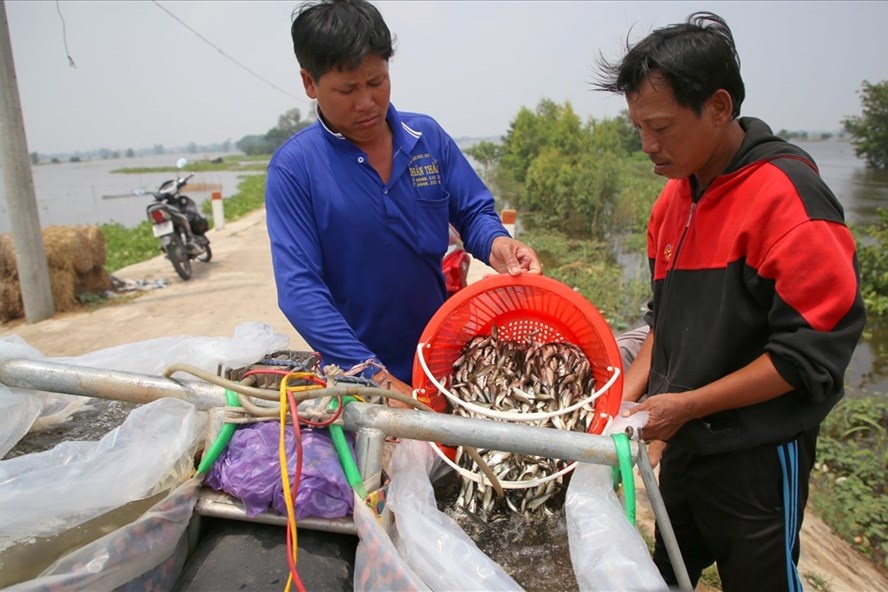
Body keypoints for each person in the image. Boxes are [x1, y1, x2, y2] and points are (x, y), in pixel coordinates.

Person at [594, 12, 866, 592]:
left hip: (760, 457)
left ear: (719, 107)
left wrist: (685, 405)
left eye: (661, 127)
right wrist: (628, 399)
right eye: (638, 128)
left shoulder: (789, 200)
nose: (648, 146)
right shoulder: (672, 202)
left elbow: (807, 358)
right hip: (688, 445)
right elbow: (663, 323)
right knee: (664, 572)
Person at [265, 0, 541, 402]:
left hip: (442, 358)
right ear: (310, 83)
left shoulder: (425, 138)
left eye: (376, 82)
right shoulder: (295, 169)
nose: (366, 102)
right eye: (347, 89)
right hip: (356, 380)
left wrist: (499, 244)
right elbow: (300, 291)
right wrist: (375, 377)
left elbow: (472, 212)